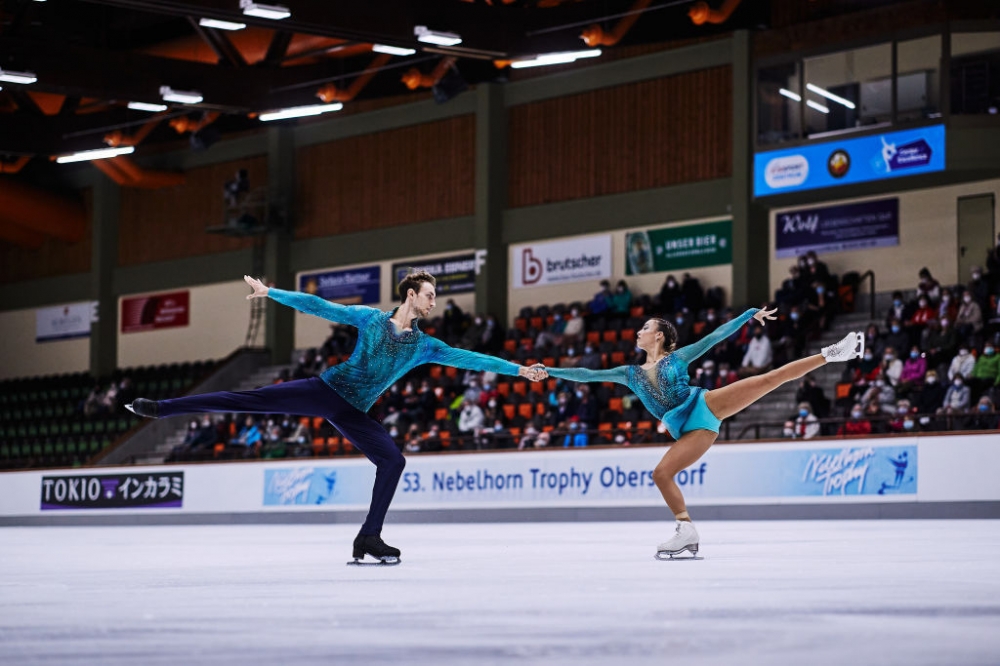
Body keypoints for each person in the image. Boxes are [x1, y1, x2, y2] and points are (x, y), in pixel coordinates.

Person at [126, 271, 544, 564]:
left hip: (355, 412)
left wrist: (519, 369)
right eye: (429, 293)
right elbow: (320, 306)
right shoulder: (371, 319)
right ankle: (162, 408)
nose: (434, 301)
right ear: (411, 294)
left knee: (393, 461)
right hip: (325, 392)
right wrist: (272, 294)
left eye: (434, 295)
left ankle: (369, 536)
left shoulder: (426, 345)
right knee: (250, 400)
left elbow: (472, 358)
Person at [540, 307, 864, 559]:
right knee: (661, 474)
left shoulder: (677, 357)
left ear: (660, 336)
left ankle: (835, 353)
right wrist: (549, 370)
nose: (639, 331)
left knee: (768, 380)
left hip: (704, 408)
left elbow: (714, 337)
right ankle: (687, 529)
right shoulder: (630, 374)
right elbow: (586, 374)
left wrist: (749, 315)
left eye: (646, 327)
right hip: (684, 429)